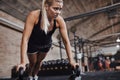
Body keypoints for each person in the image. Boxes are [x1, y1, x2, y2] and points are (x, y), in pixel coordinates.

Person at [17, 0, 78, 80]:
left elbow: (66, 42)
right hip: (33, 44)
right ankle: (29, 76)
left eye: (60, 9)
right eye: (55, 8)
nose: (58, 12)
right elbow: (25, 39)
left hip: (46, 45)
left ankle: (34, 76)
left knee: (39, 62)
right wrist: (23, 62)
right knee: (32, 63)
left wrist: (71, 61)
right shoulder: (34, 16)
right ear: (46, 6)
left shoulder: (59, 20)